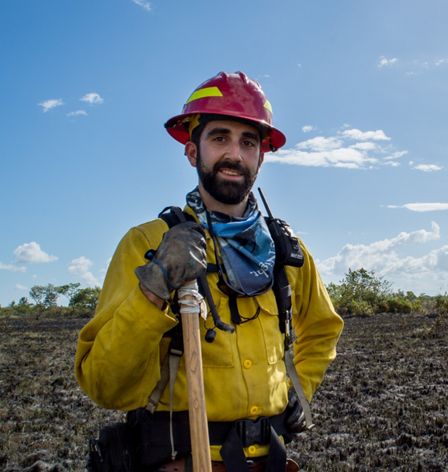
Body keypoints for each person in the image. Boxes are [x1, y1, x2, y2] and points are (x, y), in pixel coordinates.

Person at [75, 71, 344, 472]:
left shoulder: (288, 251)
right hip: (185, 460)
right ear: (191, 152)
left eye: (248, 142)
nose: (234, 154)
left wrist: (295, 392)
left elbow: (323, 330)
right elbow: (104, 385)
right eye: (220, 138)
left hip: (270, 460)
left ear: (261, 156)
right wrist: (155, 286)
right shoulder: (149, 243)